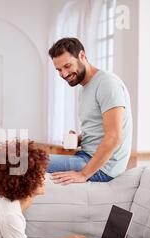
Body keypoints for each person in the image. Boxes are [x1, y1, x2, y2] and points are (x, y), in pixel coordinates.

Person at [47, 37, 133, 185]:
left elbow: (114, 137)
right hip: (85, 156)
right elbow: (99, 128)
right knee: (20, 159)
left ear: (82, 56)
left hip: (103, 168)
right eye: (59, 70)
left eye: (67, 66)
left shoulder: (107, 83)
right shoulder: (84, 88)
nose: (64, 74)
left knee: (24, 161)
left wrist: (83, 175)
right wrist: (79, 138)